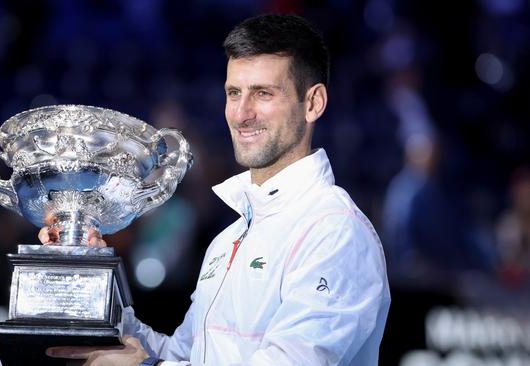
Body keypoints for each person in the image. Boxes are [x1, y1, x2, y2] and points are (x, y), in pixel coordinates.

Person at [41, 14, 390, 366]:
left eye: (263, 94)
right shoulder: (229, 240)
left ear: (313, 103)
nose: (242, 114)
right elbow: (180, 356)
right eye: (234, 93)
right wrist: (93, 276)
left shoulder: (334, 231)